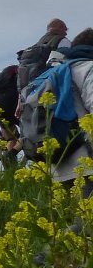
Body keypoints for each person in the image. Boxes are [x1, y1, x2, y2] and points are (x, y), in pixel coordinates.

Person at [48, 28, 93, 195]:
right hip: (86, 161)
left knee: (78, 215)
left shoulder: (57, 71)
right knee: (86, 218)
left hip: (60, 162)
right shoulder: (88, 68)